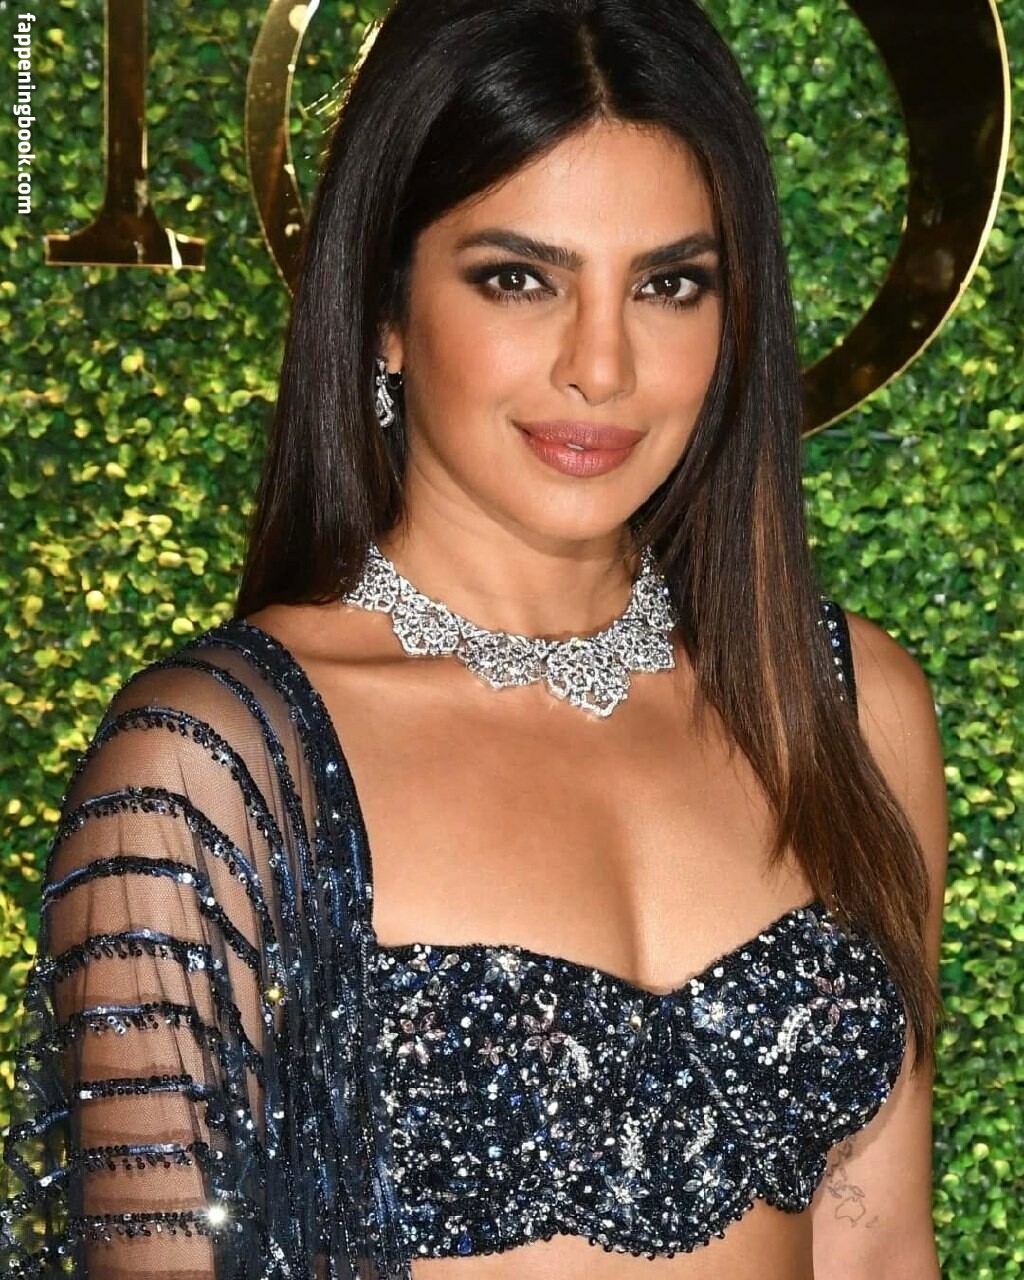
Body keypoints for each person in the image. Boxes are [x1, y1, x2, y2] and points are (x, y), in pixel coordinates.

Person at [1, 0, 949, 1276]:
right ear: (385, 311)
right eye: (519, 277)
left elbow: (878, 1245)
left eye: (668, 284)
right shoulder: (212, 767)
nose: (601, 367)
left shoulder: (844, 703)